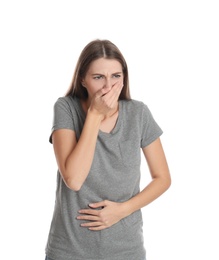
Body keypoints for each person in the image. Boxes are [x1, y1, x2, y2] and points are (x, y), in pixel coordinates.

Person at [45, 39, 171, 260]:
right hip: (69, 250)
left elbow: (162, 178)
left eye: (116, 76)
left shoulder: (138, 113)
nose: (108, 86)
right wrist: (94, 114)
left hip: (126, 250)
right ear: (82, 79)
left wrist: (122, 210)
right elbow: (73, 179)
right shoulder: (65, 108)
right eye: (98, 77)